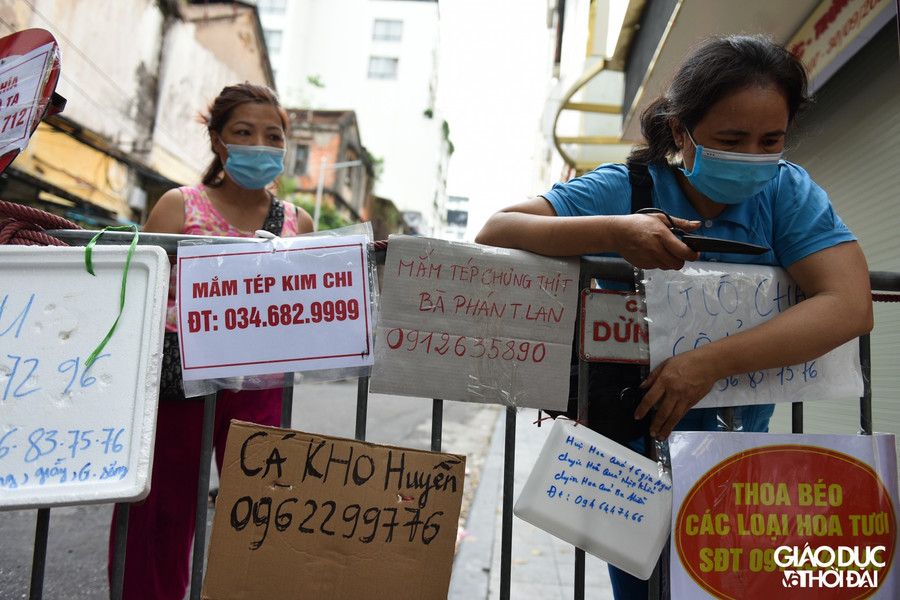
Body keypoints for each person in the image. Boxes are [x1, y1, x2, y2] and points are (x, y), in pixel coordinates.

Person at [475, 34, 873, 598]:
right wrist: (614, 231)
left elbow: (850, 304)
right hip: (626, 459)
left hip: (733, 457)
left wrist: (706, 365)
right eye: (731, 139)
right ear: (680, 131)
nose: (752, 156)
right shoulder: (626, 188)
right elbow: (496, 230)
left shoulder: (786, 192)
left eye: (771, 140)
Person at [108, 82, 313, 600]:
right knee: (161, 509)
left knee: (263, 510)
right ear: (219, 140)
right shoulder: (179, 207)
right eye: (244, 132)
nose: (260, 145)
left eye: (273, 136)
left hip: (261, 385)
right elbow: (137, 298)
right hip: (179, 381)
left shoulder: (298, 222)